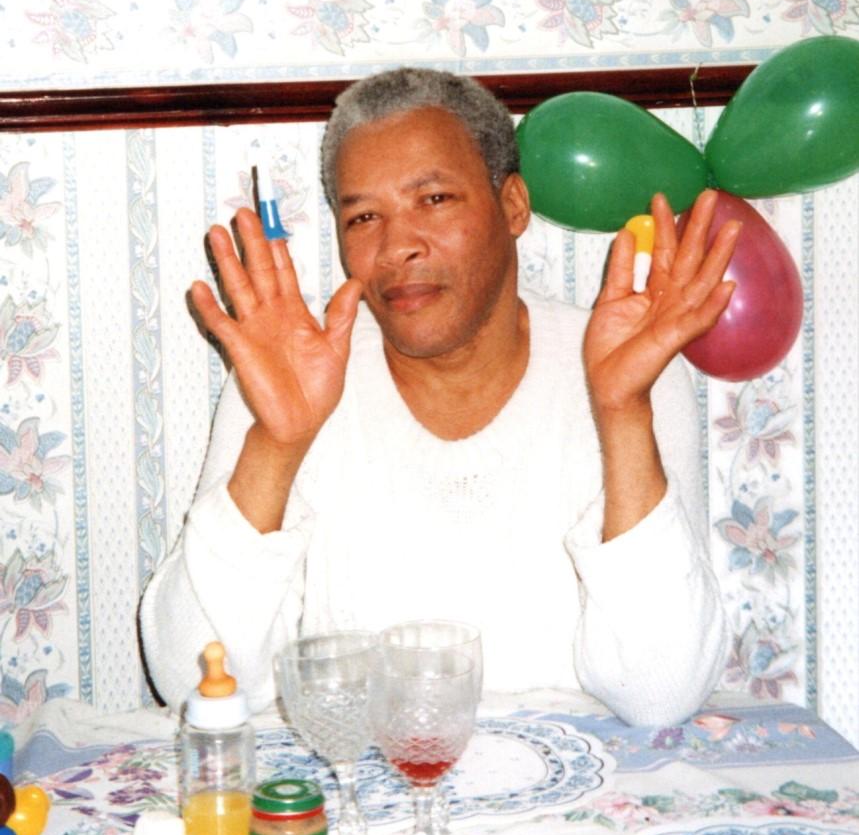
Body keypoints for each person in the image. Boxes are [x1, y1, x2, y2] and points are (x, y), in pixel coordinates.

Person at [140, 67, 739, 727]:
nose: (397, 246)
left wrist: (622, 412)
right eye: (364, 216)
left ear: (512, 206)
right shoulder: (295, 376)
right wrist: (277, 444)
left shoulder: (625, 369)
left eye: (433, 199)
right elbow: (193, 680)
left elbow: (660, 692)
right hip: (363, 777)